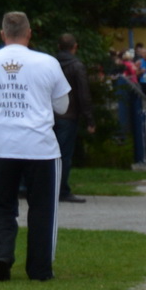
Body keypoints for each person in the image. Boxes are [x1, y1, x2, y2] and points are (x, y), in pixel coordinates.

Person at [0, 12, 71, 281]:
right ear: (29, 33)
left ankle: (2, 255)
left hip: (1, 145)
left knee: (1, 204)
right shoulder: (47, 62)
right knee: (43, 208)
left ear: (2, 34)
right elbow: (62, 105)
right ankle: (40, 269)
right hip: (40, 147)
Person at [53, 34, 93, 204]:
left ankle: (45, 187)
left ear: (58, 46)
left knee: (48, 153)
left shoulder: (51, 64)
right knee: (65, 155)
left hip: (49, 114)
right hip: (69, 115)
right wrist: (89, 119)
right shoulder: (77, 66)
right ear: (75, 47)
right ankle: (62, 190)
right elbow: (83, 94)